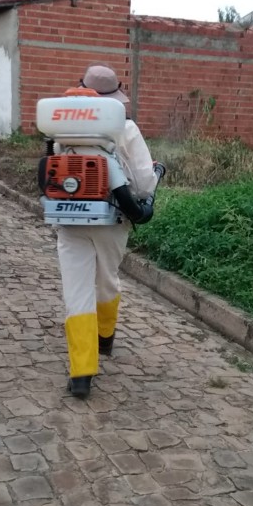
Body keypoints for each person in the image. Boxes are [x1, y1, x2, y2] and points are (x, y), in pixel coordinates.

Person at [54, 64, 161, 398]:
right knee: (107, 279)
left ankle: (82, 373)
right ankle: (105, 337)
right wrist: (157, 176)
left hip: (70, 219)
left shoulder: (62, 127)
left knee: (77, 292)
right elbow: (143, 182)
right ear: (115, 97)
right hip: (114, 219)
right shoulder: (125, 127)